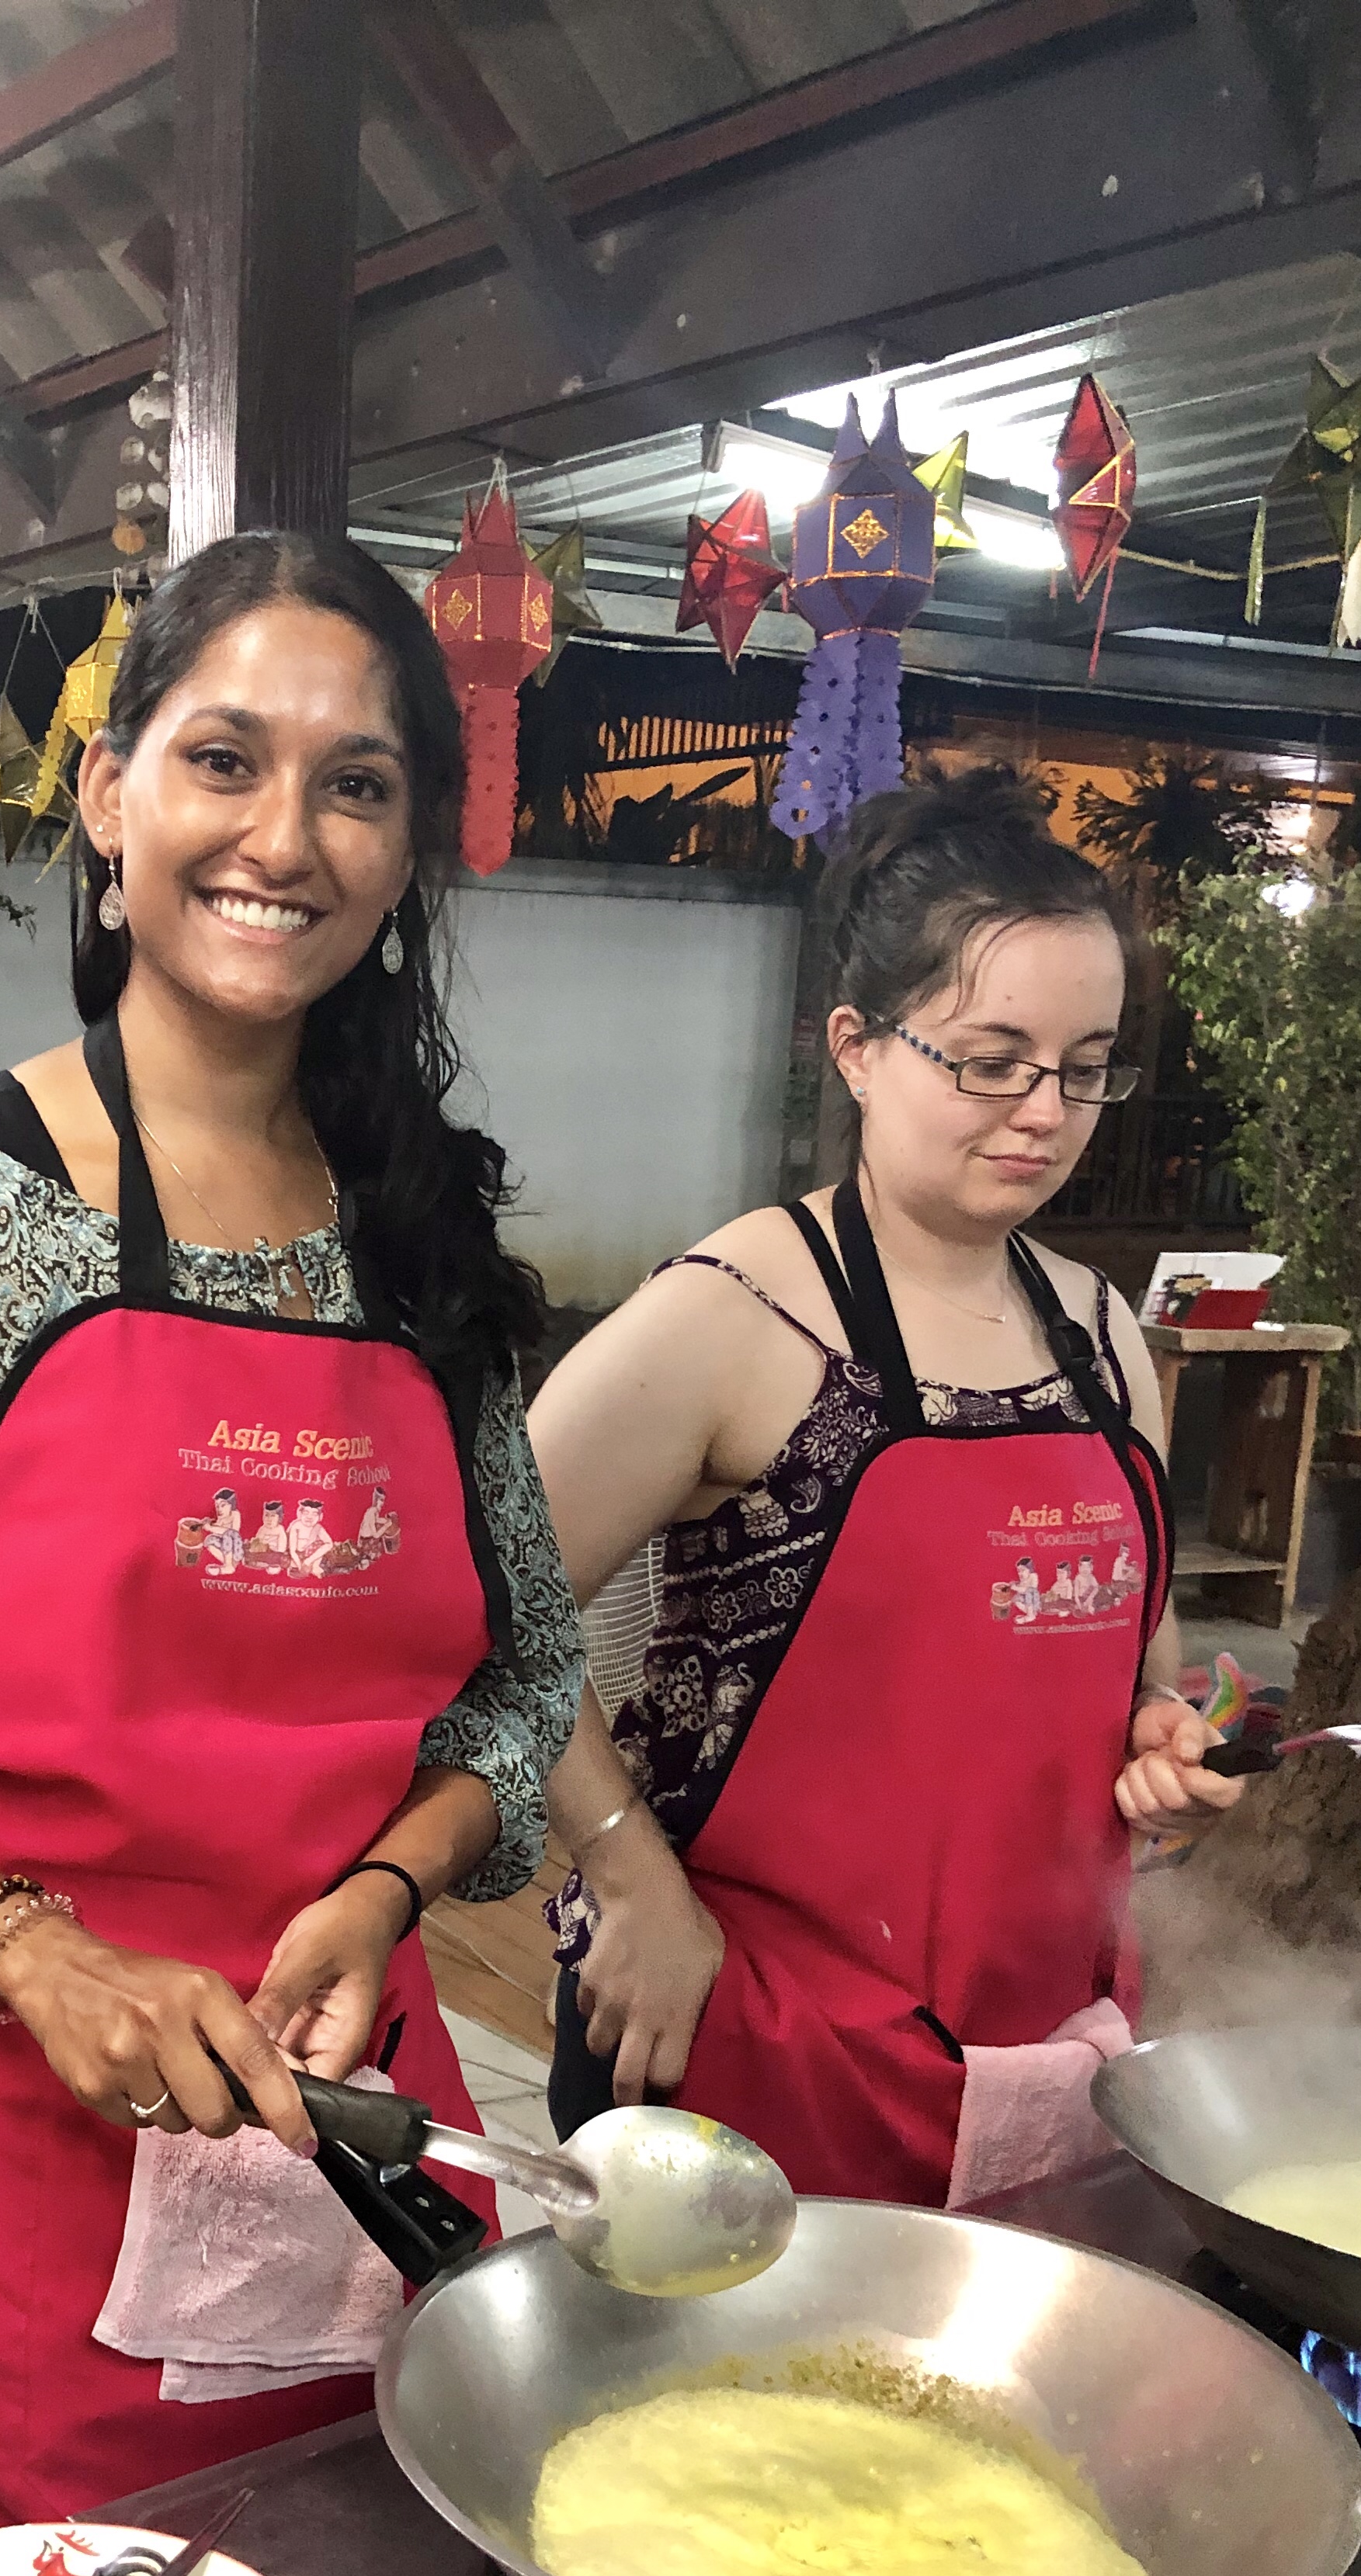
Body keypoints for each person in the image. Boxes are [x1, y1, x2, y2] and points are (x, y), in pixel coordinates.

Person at [0, 532, 582, 2560]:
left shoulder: (416, 1238)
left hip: (361, 2172)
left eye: (356, 785)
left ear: (406, 853)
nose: (285, 837)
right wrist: (34, 1952)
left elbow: (523, 1685)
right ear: (108, 794)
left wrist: (386, 1884)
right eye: (224, 760)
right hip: (10, 2213)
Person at [529, 767, 1243, 2207]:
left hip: (1040, 2043)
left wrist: (1166, 1747)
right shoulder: (736, 1313)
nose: (1045, 1111)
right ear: (857, 1048)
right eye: (991, 1060)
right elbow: (486, 1600)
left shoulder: (1104, 1336)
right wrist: (630, 1879)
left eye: (1087, 1066)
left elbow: (1133, 1666)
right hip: (751, 2039)